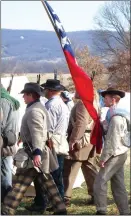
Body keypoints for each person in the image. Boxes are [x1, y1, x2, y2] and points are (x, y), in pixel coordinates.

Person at [1, 82, 67, 215]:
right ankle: (60, 209)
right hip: (36, 152)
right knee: (48, 183)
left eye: (25, 95)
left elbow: (37, 133)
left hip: (34, 153)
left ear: (31, 95)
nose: (23, 97)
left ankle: (7, 210)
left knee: (20, 185)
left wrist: (37, 153)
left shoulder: (34, 111)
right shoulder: (36, 107)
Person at [25, 79, 70, 212]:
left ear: (50, 91)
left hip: (53, 142)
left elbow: (45, 127)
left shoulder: (51, 105)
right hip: (59, 140)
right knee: (53, 175)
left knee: (51, 176)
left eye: (45, 89)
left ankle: (56, 204)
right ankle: (50, 203)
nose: (43, 91)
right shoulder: (60, 103)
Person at [94, 87, 130, 215]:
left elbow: (112, 140)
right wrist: (103, 123)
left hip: (114, 153)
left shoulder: (116, 118)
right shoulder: (115, 114)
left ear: (113, 100)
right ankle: (125, 212)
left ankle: (101, 210)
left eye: (106, 97)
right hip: (121, 152)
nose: (104, 99)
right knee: (118, 185)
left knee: (99, 182)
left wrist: (104, 158)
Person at [63, 91, 99, 206]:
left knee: (70, 168)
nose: (76, 91)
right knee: (89, 168)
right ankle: (97, 195)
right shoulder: (92, 103)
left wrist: (73, 140)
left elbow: (81, 124)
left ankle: (65, 197)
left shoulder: (83, 104)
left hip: (81, 140)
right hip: (89, 140)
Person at [1, 85, 20, 203]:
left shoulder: (1, 101)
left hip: (2, 142)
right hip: (10, 141)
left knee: (4, 174)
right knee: (6, 170)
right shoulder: (11, 100)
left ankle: (6, 200)